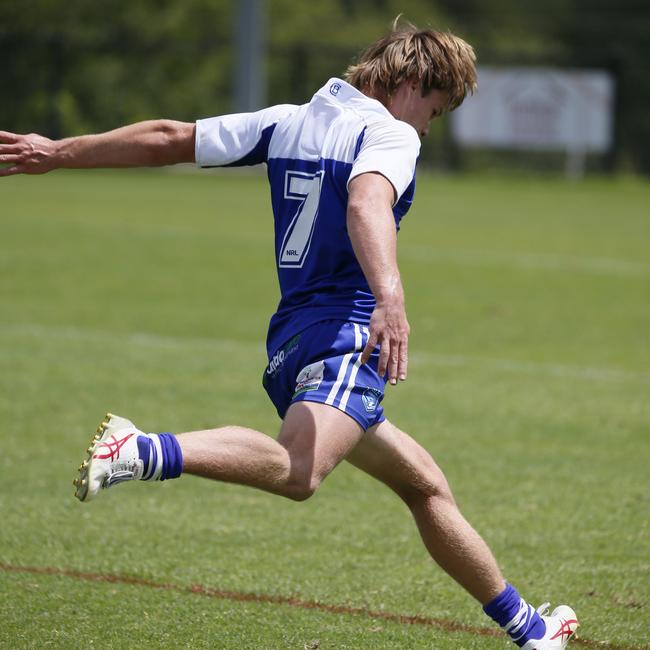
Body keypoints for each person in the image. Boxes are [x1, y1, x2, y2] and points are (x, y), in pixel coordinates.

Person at [0, 20, 578, 649]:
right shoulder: (388, 134)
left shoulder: (288, 121)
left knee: (424, 485)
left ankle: (531, 631)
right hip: (346, 338)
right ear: (411, 83)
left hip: (292, 342)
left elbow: (169, 138)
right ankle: (141, 449)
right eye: (432, 112)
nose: (426, 130)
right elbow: (366, 203)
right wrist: (391, 300)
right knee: (299, 471)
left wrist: (55, 152)